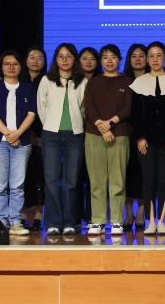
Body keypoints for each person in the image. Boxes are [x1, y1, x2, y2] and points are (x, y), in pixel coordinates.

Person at [130, 41, 165, 235]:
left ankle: (162, 221)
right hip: (145, 141)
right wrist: (139, 137)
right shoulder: (138, 83)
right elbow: (135, 115)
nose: (155, 59)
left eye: (159, 55)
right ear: (147, 59)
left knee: (164, 180)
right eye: (151, 56)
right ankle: (150, 221)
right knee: (148, 180)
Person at [0, 50, 37, 235]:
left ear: (20, 67)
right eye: (7, 64)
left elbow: (32, 113)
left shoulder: (28, 88)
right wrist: (8, 134)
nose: (11, 67)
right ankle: (1, 221)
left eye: (15, 64)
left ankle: (15, 221)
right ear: (2, 66)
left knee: (17, 185)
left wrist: (17, 134)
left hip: (22, 142)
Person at [38, 43, 88, 235]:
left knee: (71, 181)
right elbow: (41, 107)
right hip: (51, 134)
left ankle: (69, 222)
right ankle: (52, 222)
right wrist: (50, 124)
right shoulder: (46, 80)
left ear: (74, 59)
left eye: (68, 56)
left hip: (75, 135)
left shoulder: (82, 81)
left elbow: (84, 109)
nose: (65, 60)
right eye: (61, 56)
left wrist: (77, 125)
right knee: (51, 180)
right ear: (56, 59)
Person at [83, 44, 133, 236]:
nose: (109, 61)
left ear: (119, 60)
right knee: (97, 181)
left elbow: (128, 108)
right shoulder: (93, 82)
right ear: (101, 61)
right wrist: (101, 126)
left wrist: (110, 123)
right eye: (105, 57)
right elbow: (89, 107)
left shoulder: (127, 82)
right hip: (94, 135)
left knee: (117, 181)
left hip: (119, 134)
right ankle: (98, 221)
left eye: (113, 57)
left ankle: (117, 221)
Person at [122, 43, 148, 230]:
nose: (138, 59)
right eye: (134, 56)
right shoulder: (123, 81)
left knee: (145, 176)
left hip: (148, 136)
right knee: (126, 176)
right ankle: (128, 212)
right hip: (125, 135)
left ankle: (141, 212)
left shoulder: (154, 80)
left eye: (141, 55)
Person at [20, 46, 47, 230]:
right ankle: (21, 215)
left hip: (43, 136)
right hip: (20, 135)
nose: (36, 61)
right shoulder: (18, 80)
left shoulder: (48, 80)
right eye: (32, 57)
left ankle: (38, 215)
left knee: (41, 177)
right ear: (26, 60)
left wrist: (38, 133)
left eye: (40, 58)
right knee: (21, 177)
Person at [74, 47, 100, 227]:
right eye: (85, 58)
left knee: (94, 179)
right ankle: (76, 217)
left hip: (97, 134)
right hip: (75, 135)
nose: (89, 62)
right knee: (76, 177)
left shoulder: (102, 81)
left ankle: (93, 216)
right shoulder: (72, 81)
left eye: (92, 59)